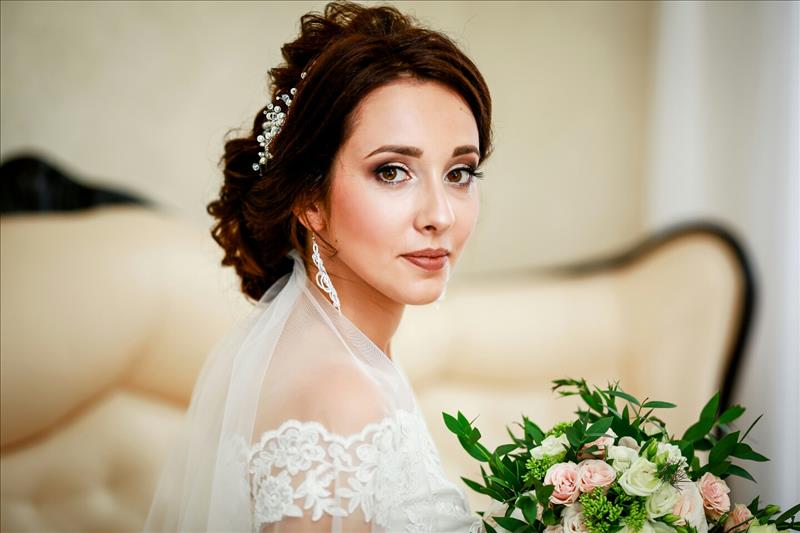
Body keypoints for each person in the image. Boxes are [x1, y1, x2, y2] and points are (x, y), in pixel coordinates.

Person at [144, 1, 492, 531]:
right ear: (310, 200)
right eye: (392, 171)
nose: (440, 215)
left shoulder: (323, 355)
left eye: (460, 172)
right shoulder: (341, 394)